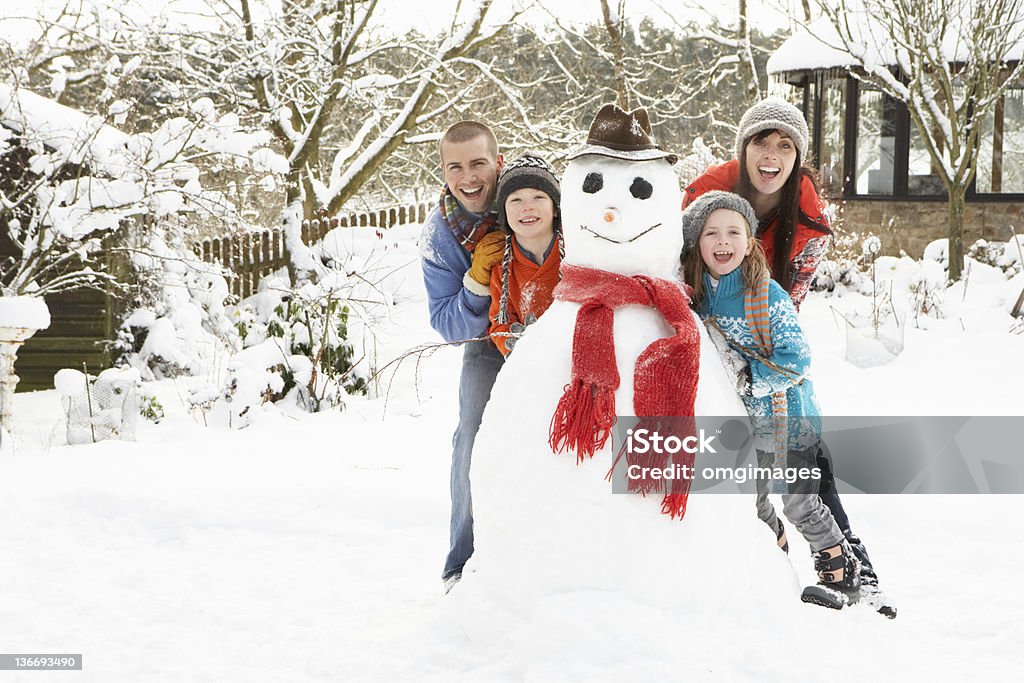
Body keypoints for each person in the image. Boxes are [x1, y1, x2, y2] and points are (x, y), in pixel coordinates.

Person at [682, 97, 895, 617]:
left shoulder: (808, 222)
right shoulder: (703, 201)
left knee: (803, 475)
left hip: (767, 361)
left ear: (797, 157)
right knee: (746, 486)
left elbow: (788, 318)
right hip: (723, 365)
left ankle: (853, 573)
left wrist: (755, 357)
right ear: (744, 148)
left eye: (785, 145)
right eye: (761, 141)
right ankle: (766, 561)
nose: (772, 155)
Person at [681, 190, 861, 609]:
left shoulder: (766, 296)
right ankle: (773, 568)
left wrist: (748, 378)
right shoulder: (697, 294)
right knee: (755, 501)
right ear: (696, 243)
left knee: (799, 501)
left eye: (733, 232)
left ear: (749, 242)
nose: (722, 241)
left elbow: (796, 359)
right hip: (747, 426)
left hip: (789, 418)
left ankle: (841, 573)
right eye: (711, 233)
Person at [420, 120, 505, 593]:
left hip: (547, 332)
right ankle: (460, 560)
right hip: (488, 343)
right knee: (472, 436)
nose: (468, 177)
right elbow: (449, 325)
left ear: (497, 160)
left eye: (477, 163)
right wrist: (477, 278)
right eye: (456, 167)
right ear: (444, 171)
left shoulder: (531, 196)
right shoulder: (440, 235)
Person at [486, 153, 562, 356]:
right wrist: (514, 347)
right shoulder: (502, 269)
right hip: (532, 366)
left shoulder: (576, 253)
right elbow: (499, 324)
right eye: (516, 200)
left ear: (555, 208)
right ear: (504, 213)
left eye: (539, 197)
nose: (527, 207)